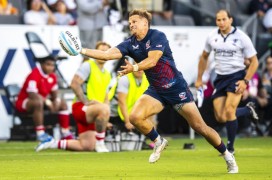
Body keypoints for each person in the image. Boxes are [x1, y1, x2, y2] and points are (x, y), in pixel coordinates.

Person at [62, 9, 237, 173]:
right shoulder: (129, 43)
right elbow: (108, 55)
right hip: (156, 91)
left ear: (145, 23)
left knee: (200, 127)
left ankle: (227, 155)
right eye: (130, 22)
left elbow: (153, 60)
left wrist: (135, 67)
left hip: (176, 88)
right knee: (135, 117)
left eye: (135, 21)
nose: (131, 25)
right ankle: (158, 141)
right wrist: (81, 50)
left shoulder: (157, 36)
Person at [195, 10, 259, 156]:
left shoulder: (242, 37)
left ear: (230, 20)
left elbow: (254, 61)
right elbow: (204, 57)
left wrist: (245, 81)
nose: (221, 22)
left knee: (229, 111)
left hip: (236, 76)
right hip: (220, 78)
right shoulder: (212, 36)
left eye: (224, 19)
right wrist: (199, 79)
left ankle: (230, 148)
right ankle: (247, 110)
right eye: (218, 20)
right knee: (221, 117)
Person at [36, 41, 112, 153]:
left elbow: (106, 98)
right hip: (81, 107)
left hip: (95, 112)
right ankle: (101, 144)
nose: (103, 53)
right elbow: (74, 83)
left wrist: (106, 118)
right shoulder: (88, 66)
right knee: (104, 108)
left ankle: (51, 143)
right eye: (100, 50)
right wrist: (85, 102)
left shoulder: (107, 74)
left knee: (86, 146)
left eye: (106, 51)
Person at [15, 56, 73, 143]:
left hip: (42, 103)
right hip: (24, 102)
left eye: (52, 65)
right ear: (42, 65)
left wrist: (56, 102)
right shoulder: (34, 74)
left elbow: (55, 94)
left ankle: (65, 132)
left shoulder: (53, 76)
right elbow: (32, 94)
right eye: (48, 65)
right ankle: (40, 133)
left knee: (63, 103)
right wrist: (48, 102)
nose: (50, 67)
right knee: (38, 102)